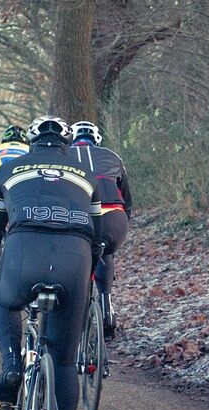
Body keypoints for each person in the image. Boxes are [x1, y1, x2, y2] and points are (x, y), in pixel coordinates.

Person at [0, 115, 102, 410]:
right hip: (73, 259)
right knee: (63, 361)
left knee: (4, 301)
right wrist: (84, 285)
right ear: (65, 145)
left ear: (32, 143)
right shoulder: (85, 174)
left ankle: (12, 366)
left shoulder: (8, 169)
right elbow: (95, 240)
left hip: (22, 253)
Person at [70, 121, 132, 341]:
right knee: (106, 251)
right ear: (96, 140)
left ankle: (75, 309)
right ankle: (106, 307)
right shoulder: (113, 156)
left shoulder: (65, 156)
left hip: (81, 216)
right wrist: (123, 225)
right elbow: (127, 199)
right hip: (115, 216)